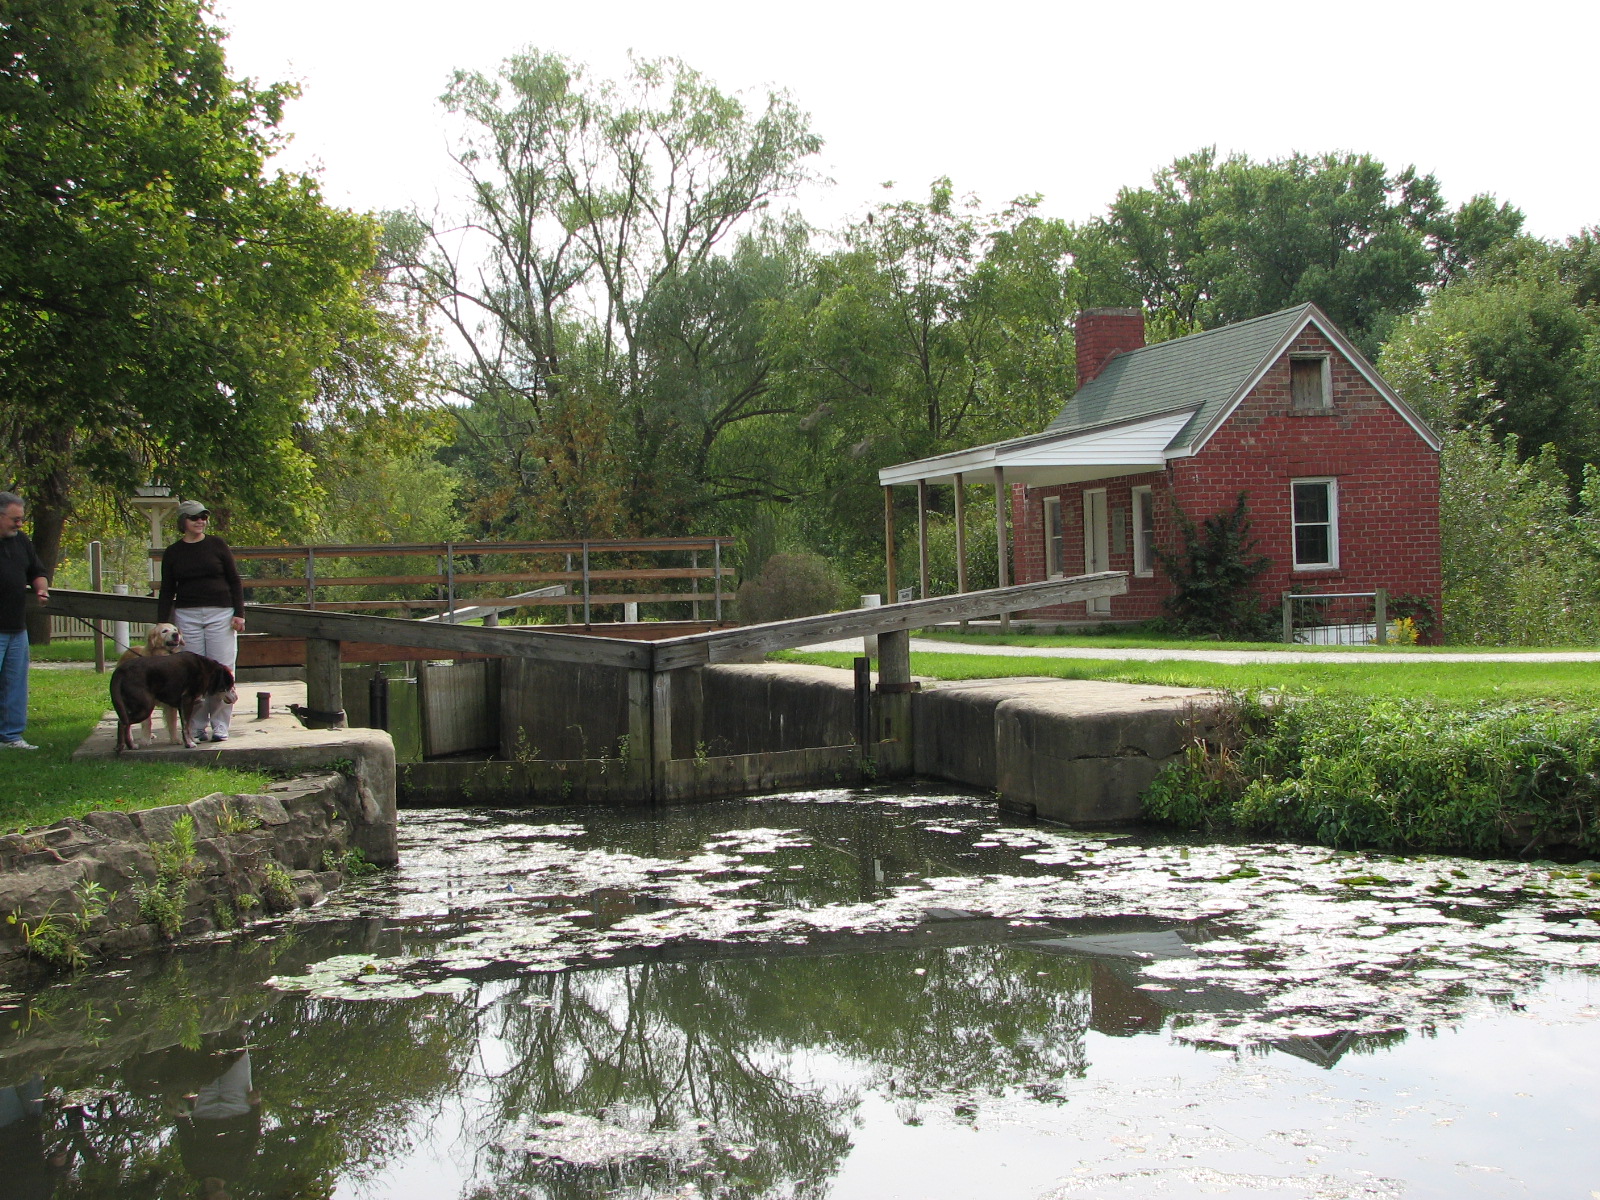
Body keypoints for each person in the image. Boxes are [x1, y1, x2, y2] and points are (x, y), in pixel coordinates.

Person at [157, 500, 245, 742]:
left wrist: (239, 613)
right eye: (194, 517)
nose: (200, 521)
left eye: (204, 517)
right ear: (183, 521)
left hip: (221, 613)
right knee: (191, 671)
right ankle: (195, 725)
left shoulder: (217, 545)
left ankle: (220, 724)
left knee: (222, 668)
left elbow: (234, 580)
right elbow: (167, 590)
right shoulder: (173, 552)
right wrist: (162, 622)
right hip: (187, 614)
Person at [0, 493, 49, 751]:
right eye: (15, 519)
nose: (20, 524)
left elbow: (37, 571)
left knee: (15, 684)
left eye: (22, 519)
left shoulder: (21, 541)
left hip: (17, 627)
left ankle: (11, 736)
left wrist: (41, 589)